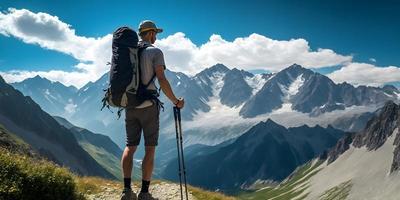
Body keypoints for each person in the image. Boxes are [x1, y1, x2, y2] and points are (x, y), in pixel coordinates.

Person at [120, 20, 184, 200]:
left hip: (129, 105)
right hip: (148, 106)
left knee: (130, 147)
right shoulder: (155, 52)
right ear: (150, 33)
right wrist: (175, 101)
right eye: (155, 33)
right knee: (150, 149)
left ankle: (126, 190)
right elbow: (161, 79)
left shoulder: (129, 52)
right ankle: (145, 193)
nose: (156, 36)